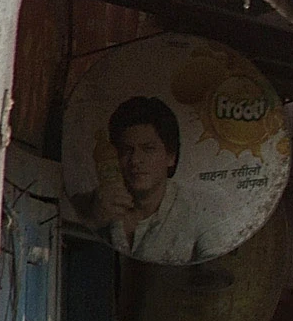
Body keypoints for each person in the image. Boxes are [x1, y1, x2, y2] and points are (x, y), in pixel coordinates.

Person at [87, 94, 212, 260]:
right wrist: (95, 220)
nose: (135, 160)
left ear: (170, 156)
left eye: (148, 149)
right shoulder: (96, 204)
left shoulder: (198, 211)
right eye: (126, 150)